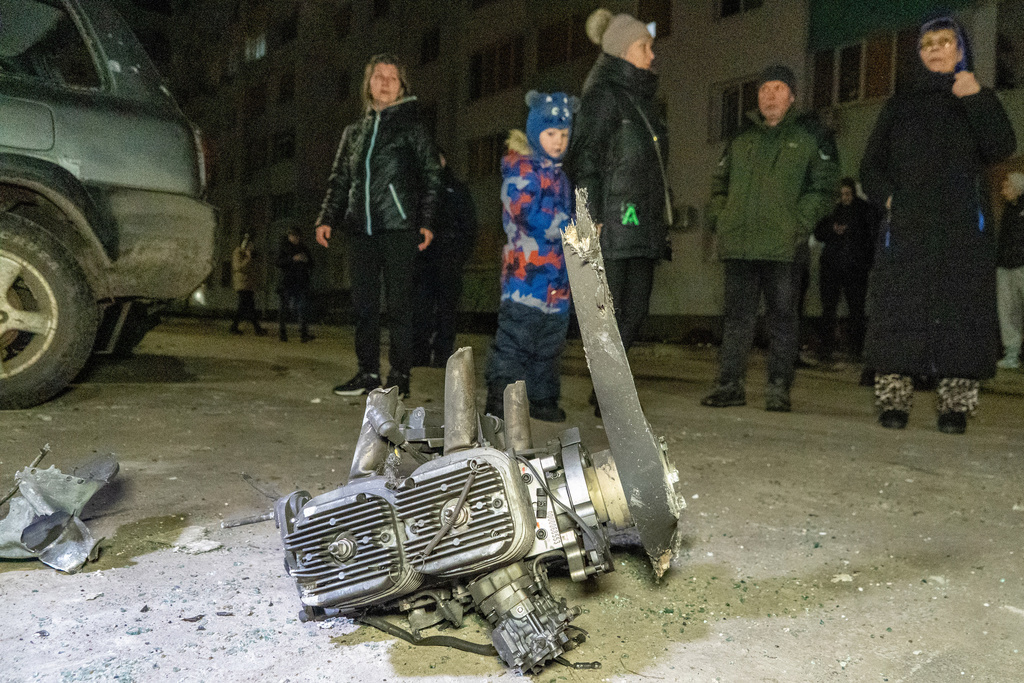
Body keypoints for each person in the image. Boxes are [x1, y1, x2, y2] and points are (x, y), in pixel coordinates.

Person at [860, 15, 1016, 434]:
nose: (934, 49)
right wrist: (892, 199)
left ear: (960, 49)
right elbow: (871, 166)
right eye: (927, 43)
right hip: (908, 228)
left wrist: (977, 97)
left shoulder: (976, 96)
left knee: (962, 312)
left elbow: (1002, 146)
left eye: (944, 41)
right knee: (899, 310)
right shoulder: (901, 104)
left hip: (964, 230)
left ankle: (956, 407)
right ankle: (894, 401)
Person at [702, 65, 839, 412]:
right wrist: (723, 218)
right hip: (740, 245)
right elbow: (719, 186)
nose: (770, 95)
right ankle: (729, 385)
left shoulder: (809, 137)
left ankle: (779, 388)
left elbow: (824, 189)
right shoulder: (741, 138)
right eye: (764, 89)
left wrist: (797, 224)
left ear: (792, 96)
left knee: (783, 319)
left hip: (784, 248)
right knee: (736, 319)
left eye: (778, 88)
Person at [315, 54, 441, 398]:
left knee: (400, 306)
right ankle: (367, 373)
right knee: (364, 307)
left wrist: (427, 222)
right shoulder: (353, 132)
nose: (385, 82)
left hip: (399, 228)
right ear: (368, 84)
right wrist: (328, 218)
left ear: (402, 87)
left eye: (392, 77)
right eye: (378, 76)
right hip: (361, 230)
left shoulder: (412, 128)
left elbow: (432, 175)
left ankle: (400, 375)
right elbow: (340, 179)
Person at [565, 9, 670, 380]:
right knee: (609, 314)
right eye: (644, 46)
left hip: (640, 222)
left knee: (635, 311)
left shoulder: (644, 101)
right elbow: (584, 157)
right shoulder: (603, 96)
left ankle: (611, 387)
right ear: (623, 50)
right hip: (613, 221)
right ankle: (609, 391)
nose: (651, 54)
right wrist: (590, 215)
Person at [484, 91, 577, 423]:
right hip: (525, 277)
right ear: (536, 132)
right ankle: (500, 395)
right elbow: (523, 213)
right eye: (551, 134)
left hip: (557, 281)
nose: (558, 141)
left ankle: (542, 397)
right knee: (516, 339)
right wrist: (565, 226)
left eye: (564, 135)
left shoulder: (561, 176)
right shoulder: (522, 170)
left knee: (550, 343)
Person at [411, 152, 478, 368]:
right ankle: (420, 355)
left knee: (447, 311)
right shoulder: (418, 191)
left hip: (449, 260)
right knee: (421, 309)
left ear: (443, 160)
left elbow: (469, 226)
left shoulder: (456, 189)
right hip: (424, 260)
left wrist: (458, 256)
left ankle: (443, 357)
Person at [813, 177, 880, 364]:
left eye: (847, 194)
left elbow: (870, 235)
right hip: (837, 267)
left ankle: (853, 348)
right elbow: (819, 232)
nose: (844, 198)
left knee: (854, 310)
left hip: (852, 267)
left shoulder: (863, 211)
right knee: (833, 309)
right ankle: (831, 348)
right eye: (842, 195)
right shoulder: (836, 210)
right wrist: (833, 230)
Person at [996, 172, 1024, 369]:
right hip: (1006, 265)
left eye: (1006, 186)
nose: (1003, 190)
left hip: (1020, 265)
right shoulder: (1009, 210)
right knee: (1007, 310)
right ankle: (1012, 353)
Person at [276, 226, 313, 343]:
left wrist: (306, 260)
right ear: (289, 237)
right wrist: (293, 259)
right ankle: (282, 333)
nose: (295, 238)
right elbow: (278, 262)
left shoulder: (304, 248)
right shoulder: (284, 248)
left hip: (301, 282)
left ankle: (304, 333)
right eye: (293, 236)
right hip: (288, 281)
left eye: (297, 236)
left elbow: (312, 263)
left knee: (302, 308)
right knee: (285, 308)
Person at [229, 233, 267, 336]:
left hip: (249, 284)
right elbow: (238, 267)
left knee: (245, 307)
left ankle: (235, 327)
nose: (250, 247)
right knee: (248, 307)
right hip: (242, 284)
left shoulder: (250, 254)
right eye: (249, 244)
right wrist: (248, 258)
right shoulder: (238, 253)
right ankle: (257, 329)